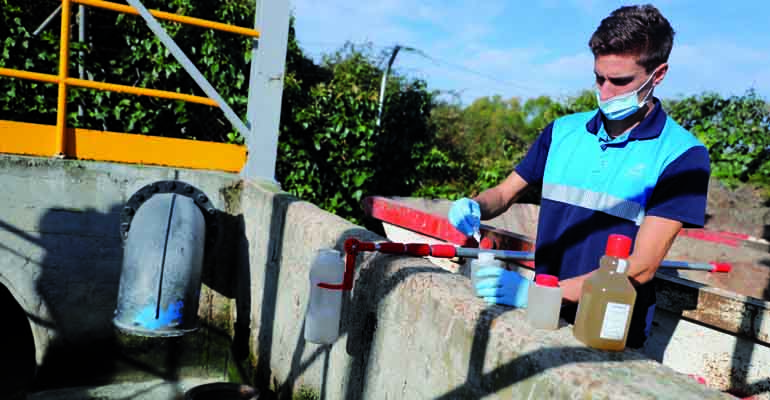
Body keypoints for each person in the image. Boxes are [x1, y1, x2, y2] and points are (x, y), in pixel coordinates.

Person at [448, 4, 711, 349]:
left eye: (620, 81)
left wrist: (538, 293)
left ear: (657, 74)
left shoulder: (682, 155)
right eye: (599, 78)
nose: (605, 92)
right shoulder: (563, 132)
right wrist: (476, 205)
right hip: (543, 315)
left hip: (610, 330)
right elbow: (504, 193)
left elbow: (642, 266)